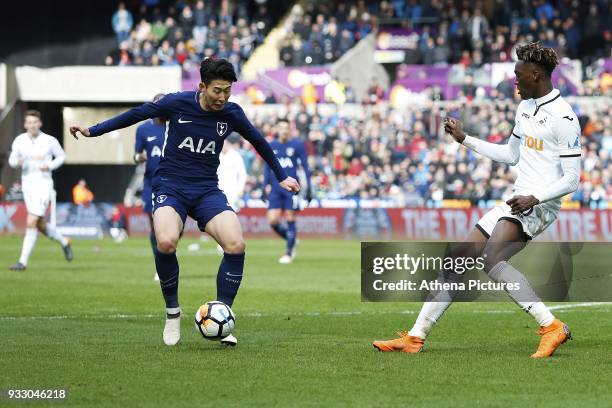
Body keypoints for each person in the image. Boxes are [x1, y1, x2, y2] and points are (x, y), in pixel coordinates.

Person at [70, 58, 300, 347]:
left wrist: (281, 175)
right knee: (166, 242)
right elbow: (137, 114)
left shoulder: (231, 113)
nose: (223, 97)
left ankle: (222, 314)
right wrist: (94, 131)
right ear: (202, 86)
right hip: (170, 186)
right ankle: (172, 313)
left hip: (206, 190)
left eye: (228, 91)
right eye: (217, 90)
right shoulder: (177, 103)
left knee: (236, 245)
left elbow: (259, 141)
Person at [373, 42, 581, 358]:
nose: (514, 80)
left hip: (538, 203)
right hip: (517, 200)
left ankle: (550, 326)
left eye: (518, 74)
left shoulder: (563, 117)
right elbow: (511, 155)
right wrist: (465, 139)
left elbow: (572, 179)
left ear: (535, 75)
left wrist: (534, 197)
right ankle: (415, 337)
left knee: (491, 258)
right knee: (457, 258)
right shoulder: (525, 107)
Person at [8, 110, 73, 271]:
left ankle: (22, 262)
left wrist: (48, 166)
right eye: (29, 122)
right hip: (27, 185)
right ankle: (64, 242)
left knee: (31, 220)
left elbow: (61, 156)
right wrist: (18, 161)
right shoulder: (19, 140)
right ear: (25, 125)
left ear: (40, 123)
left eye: (34, 122)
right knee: (40, 225)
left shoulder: (49, 140)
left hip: (43, 185)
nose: (32, 125)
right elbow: (12, 160)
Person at [263, 119, 312, 264]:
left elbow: (305, 166)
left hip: (291, 187)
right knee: (272, 220)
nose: (284, 130)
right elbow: (267, 167)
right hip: (276, 188)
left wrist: (309, 187)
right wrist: (264, 185)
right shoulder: (272, 146)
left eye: (286, 128)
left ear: (290, 130)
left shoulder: (297, 145)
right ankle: (291, 238)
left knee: (290, 217)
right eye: (281, 128)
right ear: (277, 129)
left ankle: (289, 253)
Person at [134, 93, 167, 281]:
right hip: (151, 183)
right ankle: (160, 265)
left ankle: (167, 253)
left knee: (173, 229)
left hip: (174, 182)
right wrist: (140, 157)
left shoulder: (177, 125)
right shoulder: (143, 129)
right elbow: (136, 155)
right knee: (156, 227)